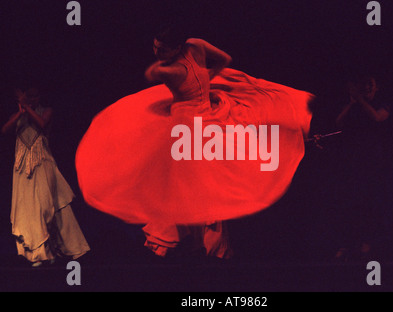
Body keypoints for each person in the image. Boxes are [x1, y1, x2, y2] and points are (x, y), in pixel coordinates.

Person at [75, 26, 314, 259]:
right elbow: (225, 59)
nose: (156, 52)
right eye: (155, 47)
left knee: (187, 185)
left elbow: (150, 75)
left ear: (177, 48)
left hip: (187, 125)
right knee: (197, 184)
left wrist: (160, 68)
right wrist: (207, 75)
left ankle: (189, 244)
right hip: (206, 114)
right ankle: (205, 246)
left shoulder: (172, 70)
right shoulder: (196, 46)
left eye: (162, 49)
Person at [2, 87, 90, 267]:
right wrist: (21, 111)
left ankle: (60, 247)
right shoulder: (19, 114)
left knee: (47, 205)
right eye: (29, 97)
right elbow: (5, 130)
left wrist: (27, 106)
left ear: (39, 97)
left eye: (34, 97)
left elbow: (41, 124)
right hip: (21, 166)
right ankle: (36, 253)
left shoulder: (46, 111)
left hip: (42, 163)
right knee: (27, 208)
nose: (32, 100)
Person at [332, 75, 390, 260]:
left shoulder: (383, 104)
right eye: (363, 84)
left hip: (374, 162)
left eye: (370, 84)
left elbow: (376, 117)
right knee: (350, 202)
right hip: (353, 161)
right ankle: (348, 244)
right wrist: (352, 102)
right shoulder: (355, 105)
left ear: (376, 88)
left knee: (371, 203)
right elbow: (338, 122)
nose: (366, 87)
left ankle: (369, 243)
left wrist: (359, 99)